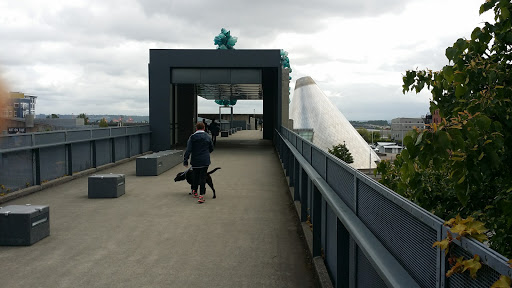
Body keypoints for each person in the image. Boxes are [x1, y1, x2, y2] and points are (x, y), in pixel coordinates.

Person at [183, 122, 214, 204]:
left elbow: (188, 150)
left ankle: (195, 191)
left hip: (195, 161)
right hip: (205, 160)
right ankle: (201, 196)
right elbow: (211, 148)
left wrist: (185, 160)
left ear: (196, 128)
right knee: (203, 178)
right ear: (204, 128)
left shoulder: (192, 137)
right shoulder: (207, 136)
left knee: (195, 176)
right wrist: (206, 153)